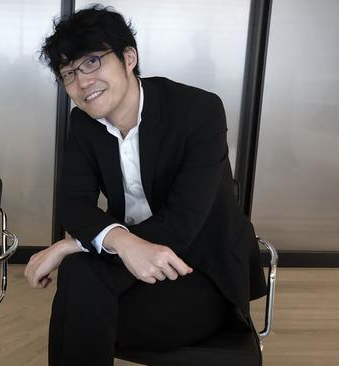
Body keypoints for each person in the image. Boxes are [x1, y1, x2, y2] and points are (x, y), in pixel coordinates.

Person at [24, 5, 267, 366]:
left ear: (129, 57)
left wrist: (69, 246)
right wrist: (124, 243)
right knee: (81, 293)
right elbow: (74, 204)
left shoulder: (198, 110)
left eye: (92, 62)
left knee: (81, 310)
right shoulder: (84, 123)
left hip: (199, 268)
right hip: (128, 255)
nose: (82, 82)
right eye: (68, 73)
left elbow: (183, 223)